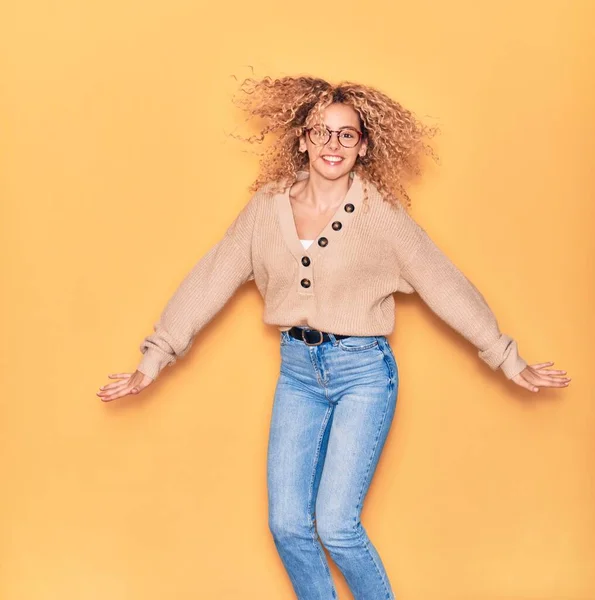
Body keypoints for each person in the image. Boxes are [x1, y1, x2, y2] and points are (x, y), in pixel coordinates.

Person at [96, 76, 570, 600]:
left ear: (364, 145)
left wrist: (507, 357)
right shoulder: (266, 209)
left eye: (347, 135)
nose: (333, 146)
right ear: (300, 138)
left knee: (337, 525)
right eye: (321, 132)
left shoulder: (381, 214)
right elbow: (210, 277)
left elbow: (444, 283)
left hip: (364, 373)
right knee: (288, 525)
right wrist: (154, 357)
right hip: (297, 373)